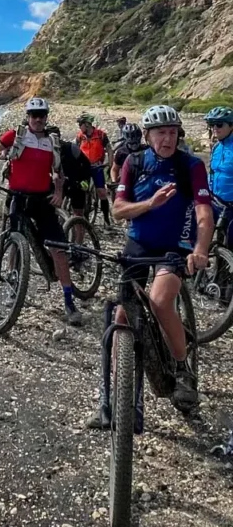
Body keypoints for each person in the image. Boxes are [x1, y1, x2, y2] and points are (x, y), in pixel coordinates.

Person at [88, 105, 214, 428]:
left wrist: (200, 249)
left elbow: (203, 213)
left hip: (176, 247)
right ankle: (120, 392)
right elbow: (117, 210)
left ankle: (183, 369)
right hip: (139, 245)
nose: (167, 138)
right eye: (160, 132)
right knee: (121, 315)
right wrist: (150, 204)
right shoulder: (134, 162)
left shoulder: (191, 167)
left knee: (159, 300)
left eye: (172, 132)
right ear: (147, 136)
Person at [0, 97, 82, 324]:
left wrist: (59, 192)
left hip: (41, 199)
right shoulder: (16, 136)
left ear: (46, 117)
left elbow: (58, 172)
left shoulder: (51, 142)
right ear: (28, 117)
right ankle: (14, 285)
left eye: (42, 115)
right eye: (34, 115)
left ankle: (69, 300)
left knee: (58, 249)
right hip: (17, 197)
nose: (38, 119)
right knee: (14, 240)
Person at [76, 112, 114, 228]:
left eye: (80, 124)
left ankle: (106, 220)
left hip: (97, 167)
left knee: (102, 193)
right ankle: (83, 218)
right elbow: (76, 150)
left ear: (87, 124)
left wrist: (110, 164)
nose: (79, 127)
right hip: (85, 167)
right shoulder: (80, 136)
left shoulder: (101, 135)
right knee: (82, 190)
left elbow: (109, 149)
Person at [206, 106, 233, 245]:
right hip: (215, 201)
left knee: (230, 245)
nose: (215, 128)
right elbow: (212, 172)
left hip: (231, 206)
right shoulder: (216, 147)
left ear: (231, 126)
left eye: (219, 124)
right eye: (212, 125)